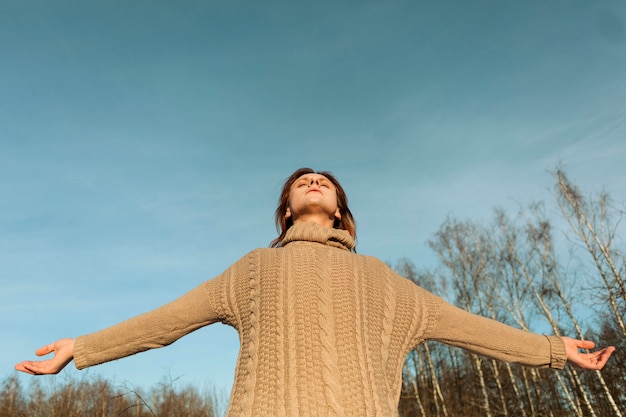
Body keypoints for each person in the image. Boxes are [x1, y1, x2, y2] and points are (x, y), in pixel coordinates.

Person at [16, 168, 615, 416]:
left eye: (325, 182)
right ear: (286, 210)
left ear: (340, 214)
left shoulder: (386, 282)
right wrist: (83, 347)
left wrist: (553, 349)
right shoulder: (251, 271)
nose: (313, 180)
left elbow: (474, 329)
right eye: (303, 181)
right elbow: (168, 321)